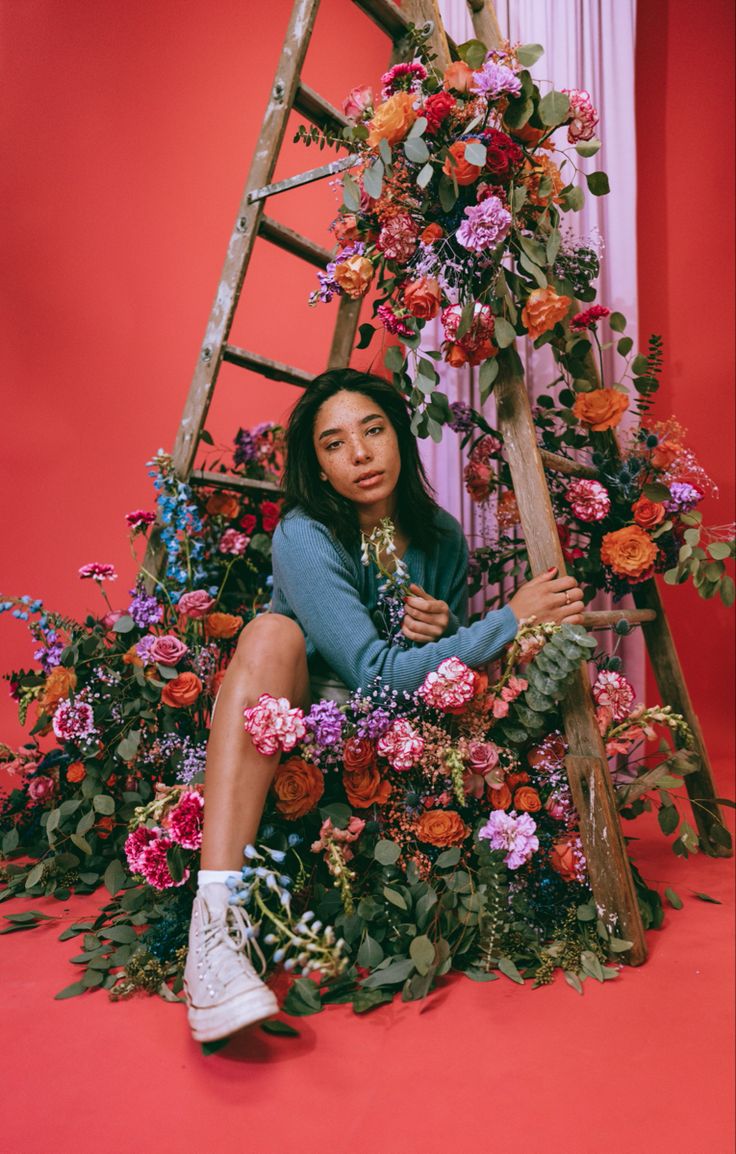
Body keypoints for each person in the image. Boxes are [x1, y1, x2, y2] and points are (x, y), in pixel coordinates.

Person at [183, 368, 585, 1042]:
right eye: (335, 444)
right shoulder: (305, 534)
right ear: (318, 465)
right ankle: (215, 928)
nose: (361, 454)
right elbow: (372, 676)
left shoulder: (441, 539)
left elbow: (437, 682)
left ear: (399, 436)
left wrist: (447, 629)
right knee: (271, 631)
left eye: (373, 430)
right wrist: (508, 619)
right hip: (298, 733)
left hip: (399, 753)